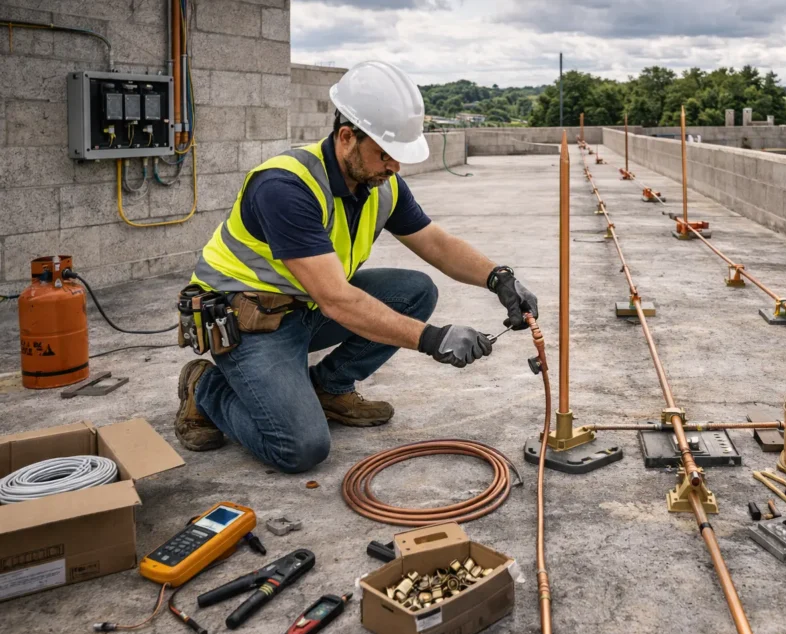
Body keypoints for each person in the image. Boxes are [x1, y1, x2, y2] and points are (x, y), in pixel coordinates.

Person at [173, 60, 538, 473]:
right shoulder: (285, 187)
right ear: (347, 137)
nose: (395, 166)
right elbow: (336, 299)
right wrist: (432, 339)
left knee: (416, 290)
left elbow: (436, 243)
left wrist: (499, 278)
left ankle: (330, 388)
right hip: (249, 323)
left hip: (305, 309)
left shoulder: (381, 183)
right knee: (300, 447)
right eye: (386, 154)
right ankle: (206, 387)